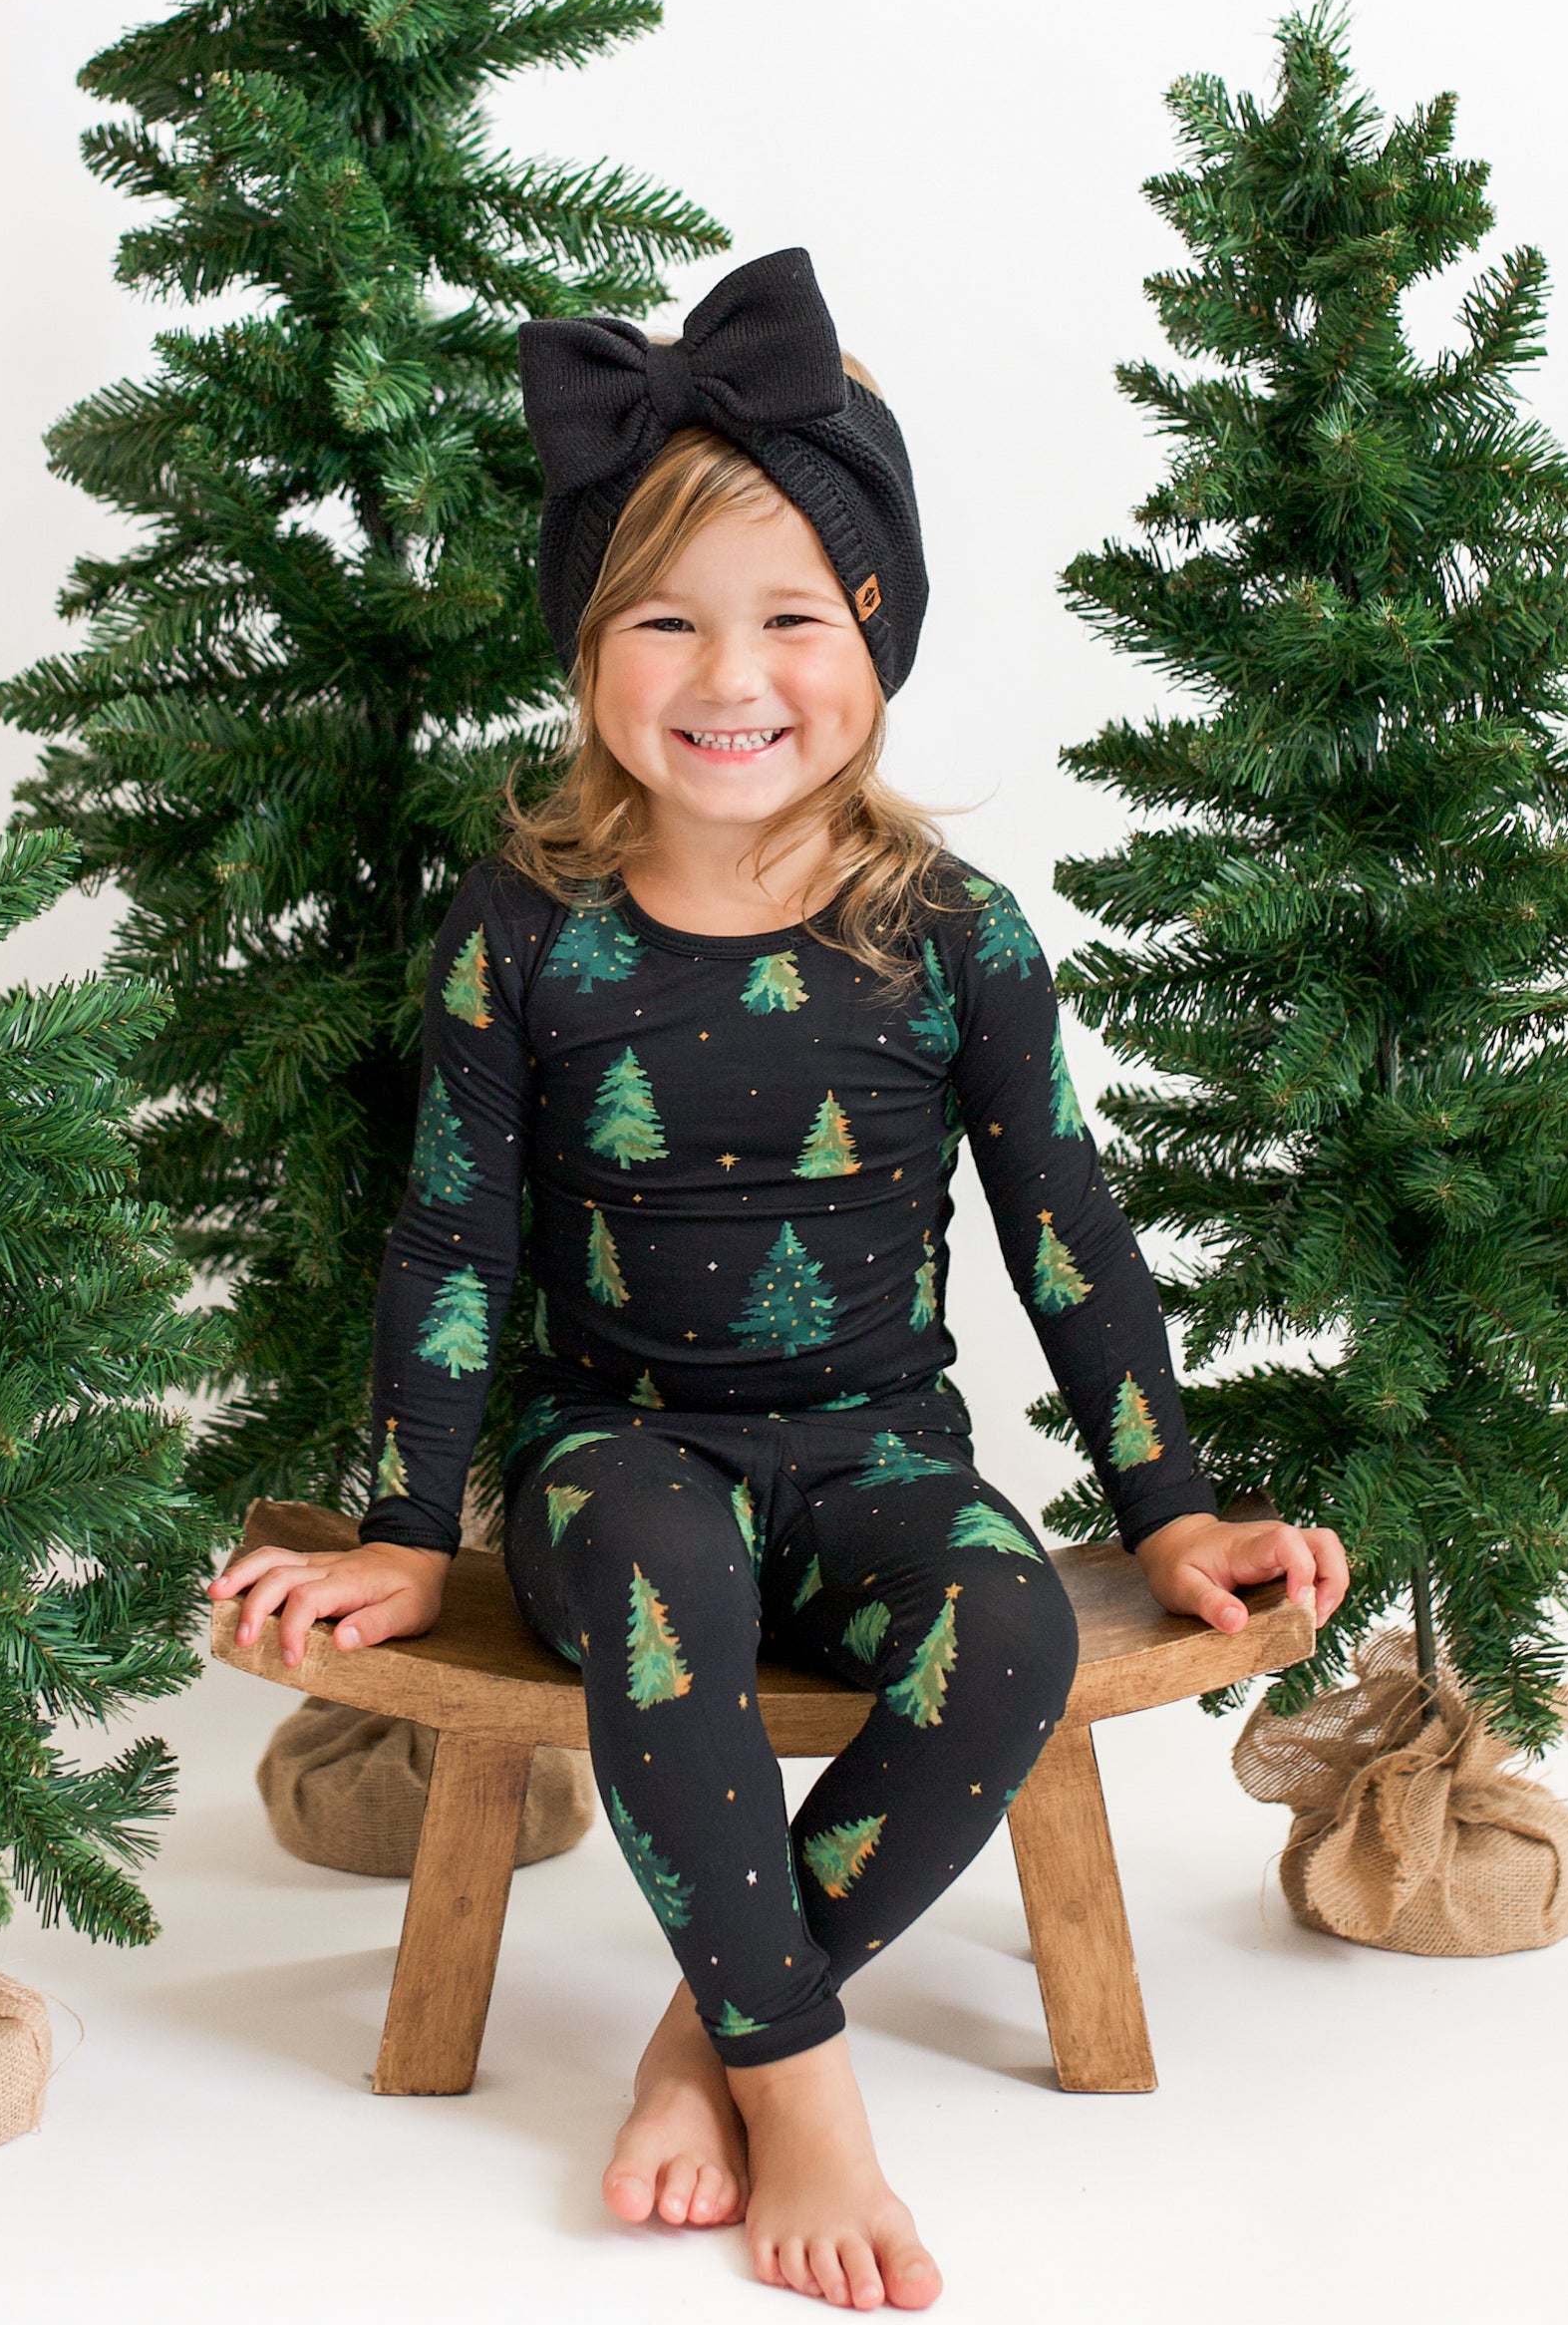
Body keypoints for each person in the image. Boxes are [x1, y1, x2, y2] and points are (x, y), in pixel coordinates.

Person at [211, 247, 1350, 2312]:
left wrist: (1169, 1506)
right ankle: (807, 2085)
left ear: (877, 633)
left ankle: (702, 2031)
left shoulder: (959, 932)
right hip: (612, 1454)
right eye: (666, 621)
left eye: (790, 620)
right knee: (665, 1573)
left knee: (1004, 1629)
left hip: (876, 1447)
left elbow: (1062, 1225)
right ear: (586, 652)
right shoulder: (524, 928)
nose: (731, 677)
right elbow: (453, 1235)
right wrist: (400, 1530)